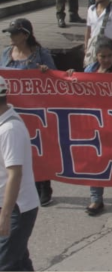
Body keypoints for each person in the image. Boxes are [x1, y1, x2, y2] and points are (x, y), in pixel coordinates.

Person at [66, 37, 112, 215]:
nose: (106, 60)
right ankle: (96, 199)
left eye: (109, 56)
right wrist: (73, 77)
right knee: (95, 160)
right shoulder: (90, 69)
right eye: (102, 56)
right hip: (95, 123)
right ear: (96, 56)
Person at [1, 18, 56, 207]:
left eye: (14, 33)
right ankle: (27, 186)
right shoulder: (6, 54)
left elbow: (55, 80)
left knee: (39, 148)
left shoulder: (40, 55)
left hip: (36, 112)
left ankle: (44, 185)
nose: (10, 36)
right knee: (19, 152)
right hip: (14, 113)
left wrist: (45, 72)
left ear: (25, 35)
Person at [0, 75, 39, 271]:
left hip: (16, 209)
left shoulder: (9, 129)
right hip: (9, 207)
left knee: (5, 264)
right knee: (19, 262)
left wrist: (5, 215)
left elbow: (15, 174)